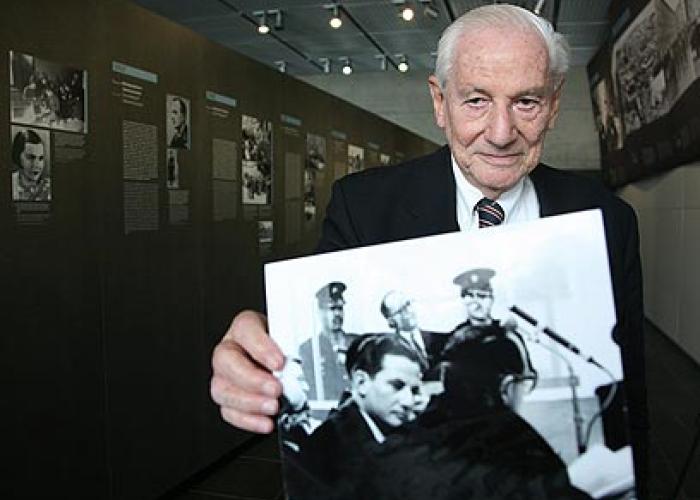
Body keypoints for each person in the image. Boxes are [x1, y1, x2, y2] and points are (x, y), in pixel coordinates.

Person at [210, 3, 647, 494]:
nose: (501, 134)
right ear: (440, 102)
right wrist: (263, 358)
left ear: (554, 104)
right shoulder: (364, 206)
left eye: (526, 101)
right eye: (476, 100)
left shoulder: (608, 219)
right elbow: (332, 334)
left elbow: (632, 390)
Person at [284, 334, 425, 500]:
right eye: (397, 386)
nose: (408, 401)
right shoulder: (329, 446)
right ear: (361, 383)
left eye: (414, 390)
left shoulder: (405, 431)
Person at [439, 268, 536, 414]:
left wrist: (513, 395)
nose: (476, 302)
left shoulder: (507, 335)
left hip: (503, 414)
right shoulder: (455, 340)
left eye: (482, 296)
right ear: (463, 300)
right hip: (465, 416)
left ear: (491, 299)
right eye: (470, 296)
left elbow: (527, 376)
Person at [299, 282, 358, 402]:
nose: (337, 314)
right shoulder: (309, 349)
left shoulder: (357, 342)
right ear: (320, 312)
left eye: (340, 308)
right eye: (332, 309)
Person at [11, 128, 51, 202]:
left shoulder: (50, 187)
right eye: (30, 158)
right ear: (17, 157)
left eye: (41, 158)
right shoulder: (8, 183)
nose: (37, 165)